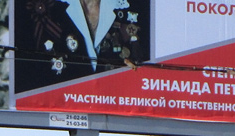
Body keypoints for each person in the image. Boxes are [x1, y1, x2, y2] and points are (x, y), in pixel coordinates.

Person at [13, 0, 149, 94]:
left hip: (116, 109)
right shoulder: (42, 8)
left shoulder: (136, 7)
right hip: (59, 109)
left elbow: (148, 72)